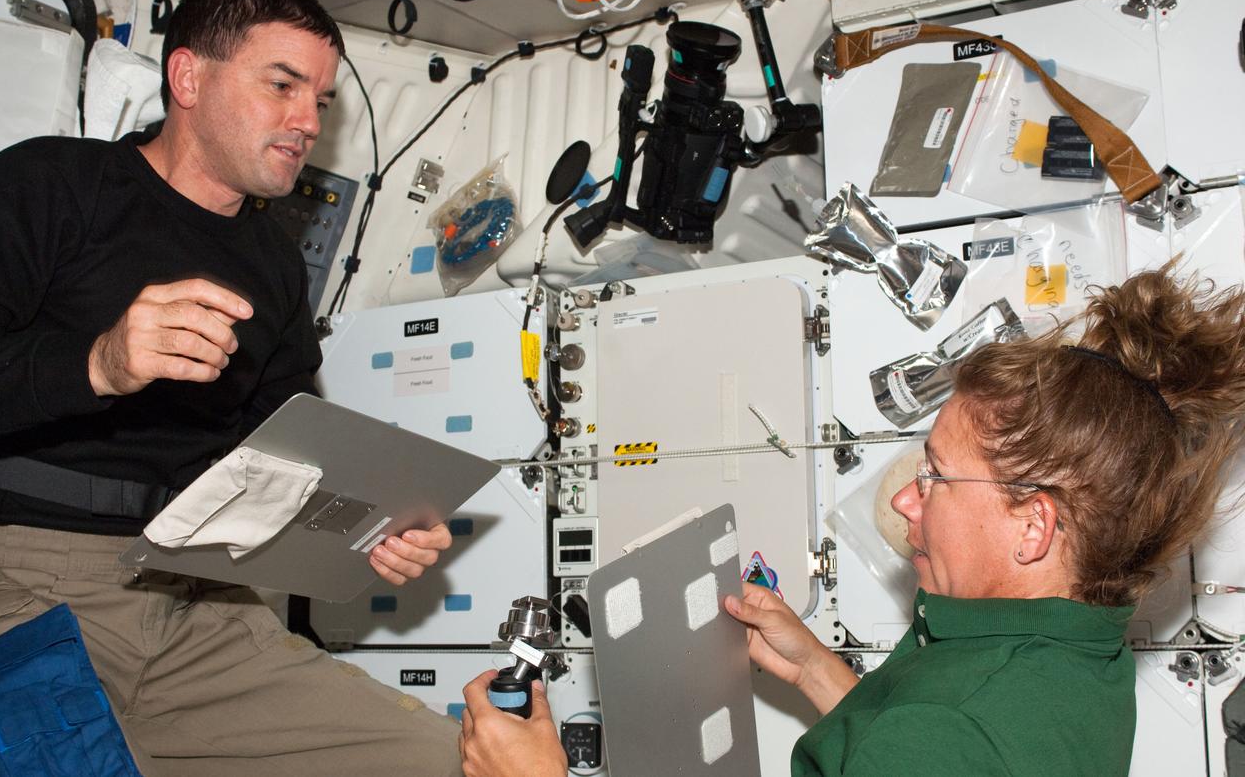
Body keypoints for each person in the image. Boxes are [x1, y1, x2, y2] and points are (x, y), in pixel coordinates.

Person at [457, 266, 1245, 777]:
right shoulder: (1068, 648)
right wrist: (813, 669)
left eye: (934, 477)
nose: (905, 501)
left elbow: (927, 742)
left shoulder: (951, 730)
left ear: (1033, 527)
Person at [0, 0, 463, 776]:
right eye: (283, 85)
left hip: (194, 593)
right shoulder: (50, 185)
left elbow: (291, 452)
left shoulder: (273, 264)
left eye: (322, 102)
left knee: (443, 759)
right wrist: (97, 362)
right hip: (7, 570)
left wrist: (372, 528)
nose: (307, 122)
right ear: (189, 77)